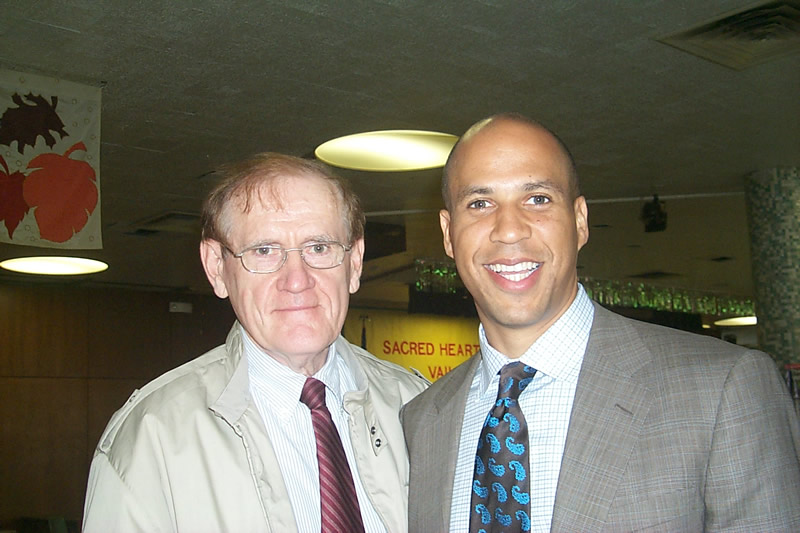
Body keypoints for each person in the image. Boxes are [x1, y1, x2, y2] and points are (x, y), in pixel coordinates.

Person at [402, 113, 800, 532]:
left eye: (537, 198)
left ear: (579, 220)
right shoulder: (424, 420)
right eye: (480, 204)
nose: (509, 230)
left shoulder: (723, 390)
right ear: (448, 234)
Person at [83, 153, 427, 533]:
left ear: (355, 262)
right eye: (264, 251)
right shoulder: (152, 437)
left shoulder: (419, 409)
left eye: (318, 248)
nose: (297, 279)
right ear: (217, 267)